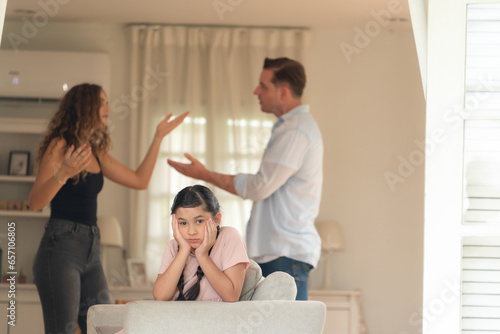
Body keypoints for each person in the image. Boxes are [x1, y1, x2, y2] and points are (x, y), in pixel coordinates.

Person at [28, 83, 188, 334]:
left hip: (91, 249)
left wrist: (158, 137)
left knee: (107, 325)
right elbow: (35, 202)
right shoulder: (60, 146)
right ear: (85, 106)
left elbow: (140, 180)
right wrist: (64, 172)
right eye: (102, 102)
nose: (108, 108)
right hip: (60, 248)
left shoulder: (96, 152)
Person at [167, 57, 323, 300]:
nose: (256, 91)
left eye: (263, 86)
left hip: (284, 253)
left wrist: (204, 175)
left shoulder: (296, 131)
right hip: (279, 252)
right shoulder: (291, 128)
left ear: (283, 92)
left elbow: (259, 187)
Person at [153, 185, 249, 302]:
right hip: (179, 318)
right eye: (183, 223)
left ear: (216, 219)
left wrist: (202, 255)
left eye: (199, 221)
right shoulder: (173, 246)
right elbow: (160, 296)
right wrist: (183, 250)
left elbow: (231, 296)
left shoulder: (229, 237)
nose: (191, 232)